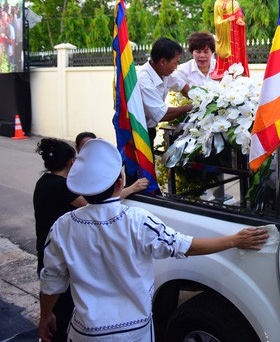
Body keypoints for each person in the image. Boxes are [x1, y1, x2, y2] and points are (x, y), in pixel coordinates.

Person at [38, 138, 268, 341]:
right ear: (120, 183)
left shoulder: (63, 227)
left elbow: (51, 281)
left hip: (86, 332)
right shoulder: (137, 221)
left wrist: (46, 316)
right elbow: (184, 246)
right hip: (133, 332)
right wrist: (234, 240)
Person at [33, 138, 85, 342]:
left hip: (45, 251)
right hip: (57, 257)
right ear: (72, 163)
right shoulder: (62, 187)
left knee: (51, 303)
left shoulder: (44, 181)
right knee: (61, 314)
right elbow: (95, 207)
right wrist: (129, 188)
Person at [137, 37, 193, 146]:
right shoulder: (144, 80)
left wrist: (202, 99)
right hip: (137, 133)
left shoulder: (163, 72)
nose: (176, 67)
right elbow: (162, 114)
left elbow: (183, 87)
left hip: (148, 129)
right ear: (163, 61)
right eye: (175, 63)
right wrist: (190, 107)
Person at [75, 131, 149, 197]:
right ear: (77, 148)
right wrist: (133, 188)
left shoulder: (104, 165)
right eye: (85, 147)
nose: (90, 150)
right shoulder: (75, 171)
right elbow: (92, 202)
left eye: (93, 146)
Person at [210, 0, 250, 79]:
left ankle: (238, 72)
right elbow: (217, 22)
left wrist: (239, 21)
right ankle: (225, 73)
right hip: (226, 37)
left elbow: (240, 16)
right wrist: (228, 20)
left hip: (236, 35)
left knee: (237, 55)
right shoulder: (218, 3)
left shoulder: (235, 3)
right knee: (227, 59)